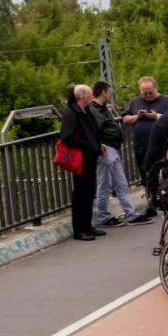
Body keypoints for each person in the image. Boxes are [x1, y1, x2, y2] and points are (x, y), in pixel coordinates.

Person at [87, 81, 142, 228]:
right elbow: (94, 129)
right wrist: (100, 145)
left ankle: (128, 214)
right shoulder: (94, 110)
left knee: (117, 182)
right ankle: (107, 215)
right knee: (107, 183)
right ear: (104, 92)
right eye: (109, 92)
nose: (110, 94)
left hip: (111, 148)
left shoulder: (102, 108)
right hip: (106, 149)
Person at [59, 84, 103, 241]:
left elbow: (92, 132)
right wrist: (87, 145)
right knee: (81, 193)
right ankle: (79, 229)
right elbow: (67, 136)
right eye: (90, 95)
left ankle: (87, 225)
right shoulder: (71, 113)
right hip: (81, 157)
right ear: (81, 96)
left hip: (90, 156)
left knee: (89, 192)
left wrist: (97, 145)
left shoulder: (86, 111)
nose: (92, 97)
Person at [122, 76, 168, 166]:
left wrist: (157, 116)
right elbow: (125, 119)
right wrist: (138, 116)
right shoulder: (135, 102)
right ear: (140, 91)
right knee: (145, 176)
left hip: (162, 148)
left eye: (150, 93)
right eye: (144, 94)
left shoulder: (167, 101)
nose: (148, 96)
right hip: (141, 149)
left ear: (156, 88)